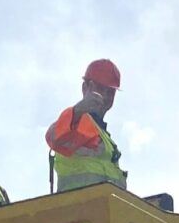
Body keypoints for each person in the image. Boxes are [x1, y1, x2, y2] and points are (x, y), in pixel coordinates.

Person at [45, 59, 127, 192]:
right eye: (100, 88)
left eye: (110, 92)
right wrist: (78, 110)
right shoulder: (77, 121)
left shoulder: (106, 139)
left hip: (105, 209)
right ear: (85, 88)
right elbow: (54, 137)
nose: (105, 95)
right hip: (77, 209)